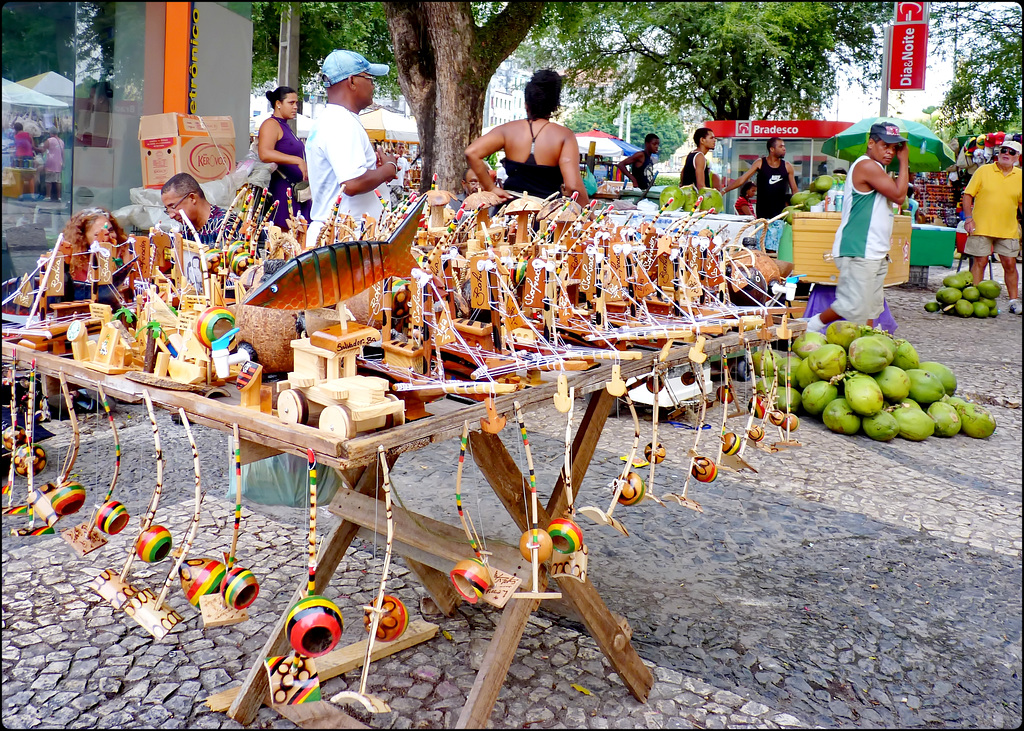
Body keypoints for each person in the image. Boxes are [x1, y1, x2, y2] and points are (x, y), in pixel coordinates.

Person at [802, 122, 910, 333]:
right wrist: (904, 161)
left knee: (870, 309)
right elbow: (899, 195)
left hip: (874, 251)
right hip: (859, 249)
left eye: (895, 148)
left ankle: (864, 344)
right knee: (852, 306)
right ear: (871, 143)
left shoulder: (878, 168)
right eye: (885, 146)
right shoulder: (866, 166)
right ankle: (812, 326)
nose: (890, 152)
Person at [305, 49, 397, 247]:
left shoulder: (330, 119)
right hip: (344, 239)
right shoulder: (341, 122)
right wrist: (388, 169)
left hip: (341, 236)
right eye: (370, 78)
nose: (373, 85)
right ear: (352, 81)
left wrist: (375, 171)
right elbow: (352, 183)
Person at [464, 69, 589, 204]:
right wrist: (590, 215)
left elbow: (471, 152)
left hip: (510, 211)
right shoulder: (564, 136)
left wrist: (491, 188)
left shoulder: (507, 130)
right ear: (555, 106)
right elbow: (573, 186)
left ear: (526, 103)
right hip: (545, 215)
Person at [962, 139, 1023, 314]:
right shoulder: (983, 170)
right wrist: (968, 219)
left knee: (1010, 264)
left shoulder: (1020, 176)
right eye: (1004, 150)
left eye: (1012, 152)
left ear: (1017, 157)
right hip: (981, 226)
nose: (1007, 154)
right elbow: (968, 195)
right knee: (979, 262)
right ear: (998, 152)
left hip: (1008, 228)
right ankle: (974, 298)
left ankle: (1013, 301)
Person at [257, 86, 311, 230]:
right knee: (286, 238)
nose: (295, 107)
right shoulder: (270, 124)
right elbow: (264, 153)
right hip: (282, 191)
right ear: (278, 104)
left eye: (296, 103)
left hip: (298, 192)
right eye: (291, 103)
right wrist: (297, 160)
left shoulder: (285, 126)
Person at [723, 137, 798, 221]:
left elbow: (794, 190)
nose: (784, 149)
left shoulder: (787, 166)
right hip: (762, 216)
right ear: (772, 149)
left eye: (784, 146)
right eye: (781, 146)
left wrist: (799, 208)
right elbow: (742, 180)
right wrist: (724, 191)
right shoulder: (760, 163)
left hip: (780, 216)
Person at [55, 207, 129, 282]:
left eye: (111, 230)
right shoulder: (72, 267)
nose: (107, 238)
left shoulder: (124, 254)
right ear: (83, 238)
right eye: (97, 234)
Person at [160, 172, 226, 246]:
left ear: (192, 198)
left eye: (173, 207)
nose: (171, 216)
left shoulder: (225, 224)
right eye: (167, 210)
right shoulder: (188, 229)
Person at [680, 127, 722, 191]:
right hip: (696, 199)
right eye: (711, 138)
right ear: (702, 140)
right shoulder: (700, 156)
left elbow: (682, 173)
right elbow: (701, 186)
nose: (714, 140)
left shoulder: (691, 154)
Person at [41, 128, 64, 202]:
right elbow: (63, 153)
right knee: (58, 180)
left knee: (48, 180)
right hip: (59, 162)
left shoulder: (50, 140)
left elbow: (43, 149)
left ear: (51, 133)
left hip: (51, 161)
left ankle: (48, 196)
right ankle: (59, 196)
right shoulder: (61, 141)